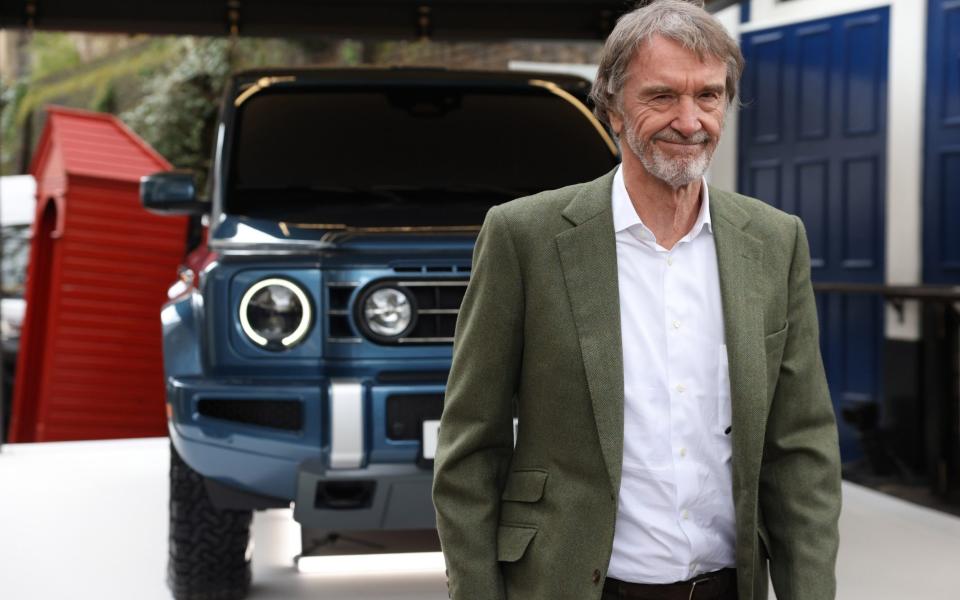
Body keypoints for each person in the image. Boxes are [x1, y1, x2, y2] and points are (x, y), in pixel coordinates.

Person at [431, 1, 842, 599]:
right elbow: (470, 449)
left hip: (728, 587)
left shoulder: (776, 241)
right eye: (661, 96)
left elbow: (800, 450)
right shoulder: (525, 237)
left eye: (708, 95)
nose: (690, 119)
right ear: (613, 111)